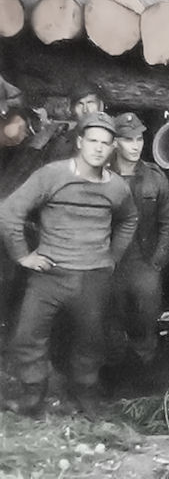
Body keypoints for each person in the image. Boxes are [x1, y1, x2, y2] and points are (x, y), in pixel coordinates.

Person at [0, 111, 137, 416]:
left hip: (92, 279)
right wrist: (23, 255)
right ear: (79, 142)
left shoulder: (116, 187)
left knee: (90, 342)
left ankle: (85, 396)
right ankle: (33, 397)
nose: (99, 148)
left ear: (112, 148)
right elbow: (9, 211)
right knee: (27, 336)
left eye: (105, 143)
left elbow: (129, 219)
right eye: (93, 141)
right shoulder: (52, 175)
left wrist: (112, 257)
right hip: (49, 276)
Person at [109, 112, 169, 368]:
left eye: (139, 138)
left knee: (147, 320)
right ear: (115, 142)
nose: (136, 145)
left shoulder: (155, 177)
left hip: (144, 263)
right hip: (110, 263)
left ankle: (145, 374)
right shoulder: (101, 175)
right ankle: (113, 376)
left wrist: (157, 263)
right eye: (128, 139)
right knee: (110, 321)